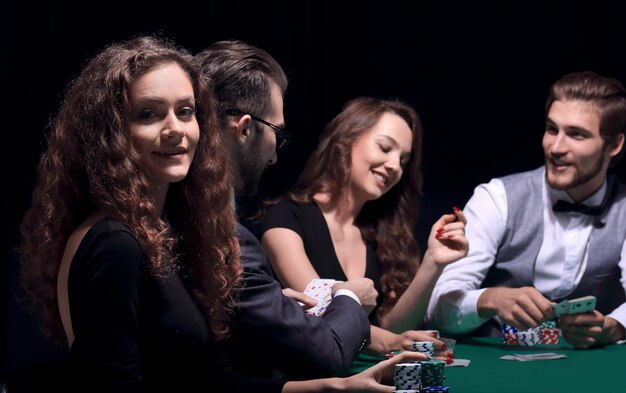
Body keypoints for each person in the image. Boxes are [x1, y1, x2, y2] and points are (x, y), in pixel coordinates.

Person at [19, 35, 423, 393]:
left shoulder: (159, 235)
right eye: (148, 113)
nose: (175, 128)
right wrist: (349, 297)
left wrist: (339, 386)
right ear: (112, 131)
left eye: (186, 111)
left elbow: (217, 382)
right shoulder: (115, 242)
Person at [195, 39, 377, 380]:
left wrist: (277, 303)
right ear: (246, 129)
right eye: (276, 133)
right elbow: (325, 353)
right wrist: (351, 297)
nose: (276, 156)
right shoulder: (225, 240)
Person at [425, 71, 626, 349]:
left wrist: (613, 327)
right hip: (496, 371)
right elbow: (436, 308)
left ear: (614, 145)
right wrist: (489, 300)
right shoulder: (496, 197)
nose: (556, 147)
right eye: (552, 129)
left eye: (576, 135)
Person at [258, 96, 469, 356]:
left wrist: (433, 262)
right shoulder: (285, 218)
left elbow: (394, 326)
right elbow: (318, 306)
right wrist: (389, 342)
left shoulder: (381, 234)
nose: (394, 166)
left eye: (403, 161)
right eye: (384, 147)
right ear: (345, 140)